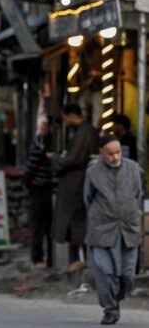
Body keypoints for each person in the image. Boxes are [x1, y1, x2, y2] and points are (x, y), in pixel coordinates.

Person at [84, 135, 143, 325]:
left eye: (117, 152)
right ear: (101, 153)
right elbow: (88, 198)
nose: (115, 157)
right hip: (102, 228)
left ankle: (118, 298)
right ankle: (110, 310)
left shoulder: (133, 169)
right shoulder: (93, 172)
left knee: (127, 274)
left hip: (128, 228)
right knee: (105, 271)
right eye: (110, 154)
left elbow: (138, 194)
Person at [53, 103, 97, 273]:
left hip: (78, 183)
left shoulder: (85, 132)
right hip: (75, 182)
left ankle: (80, 259)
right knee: (74, 221)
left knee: (77, 220)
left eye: (65, 118)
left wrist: (56, 160)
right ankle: (76, 259)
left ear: (71, 115)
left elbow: (74, 159)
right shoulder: (83, 131)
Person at [25, 110, 54, 270]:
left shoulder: (41, 143)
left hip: (40, 188)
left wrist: (27, 182)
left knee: (39, 225)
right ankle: (44, 258)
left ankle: (40, 258)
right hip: (44, 188)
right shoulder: (47, 142)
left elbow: (30, 167)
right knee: (45, 225)